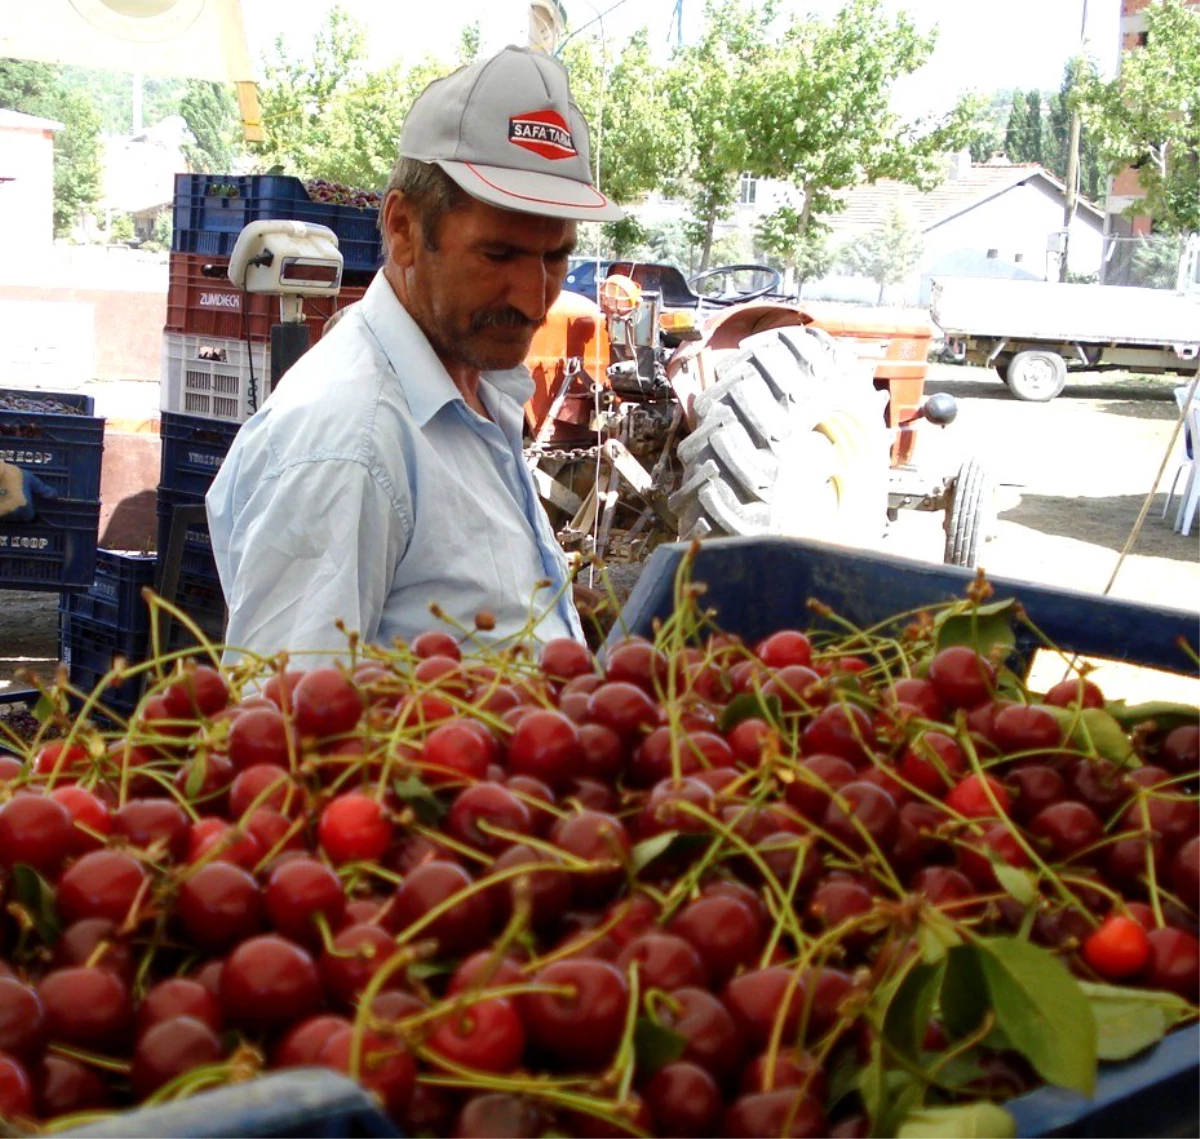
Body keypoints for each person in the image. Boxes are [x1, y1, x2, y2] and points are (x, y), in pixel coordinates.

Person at [206, 46, 623, 664]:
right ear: (403, 227)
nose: (536, 298)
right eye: (499, 255)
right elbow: (292, 732)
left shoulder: (476, 390)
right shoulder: (350, 444)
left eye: (555, 256)